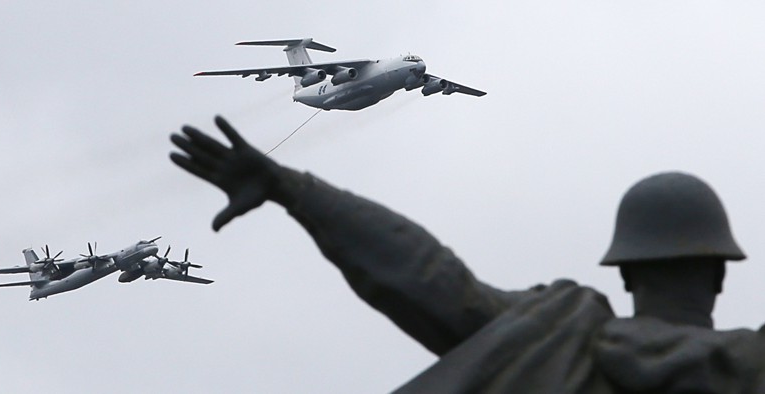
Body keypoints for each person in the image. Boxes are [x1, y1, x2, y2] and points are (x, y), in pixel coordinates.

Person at [170, 116, 764, 393]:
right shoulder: (748, 367)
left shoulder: (557, 340)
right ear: (718, 271)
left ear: (627, 270)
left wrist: (294, 190)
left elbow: (427, 277)